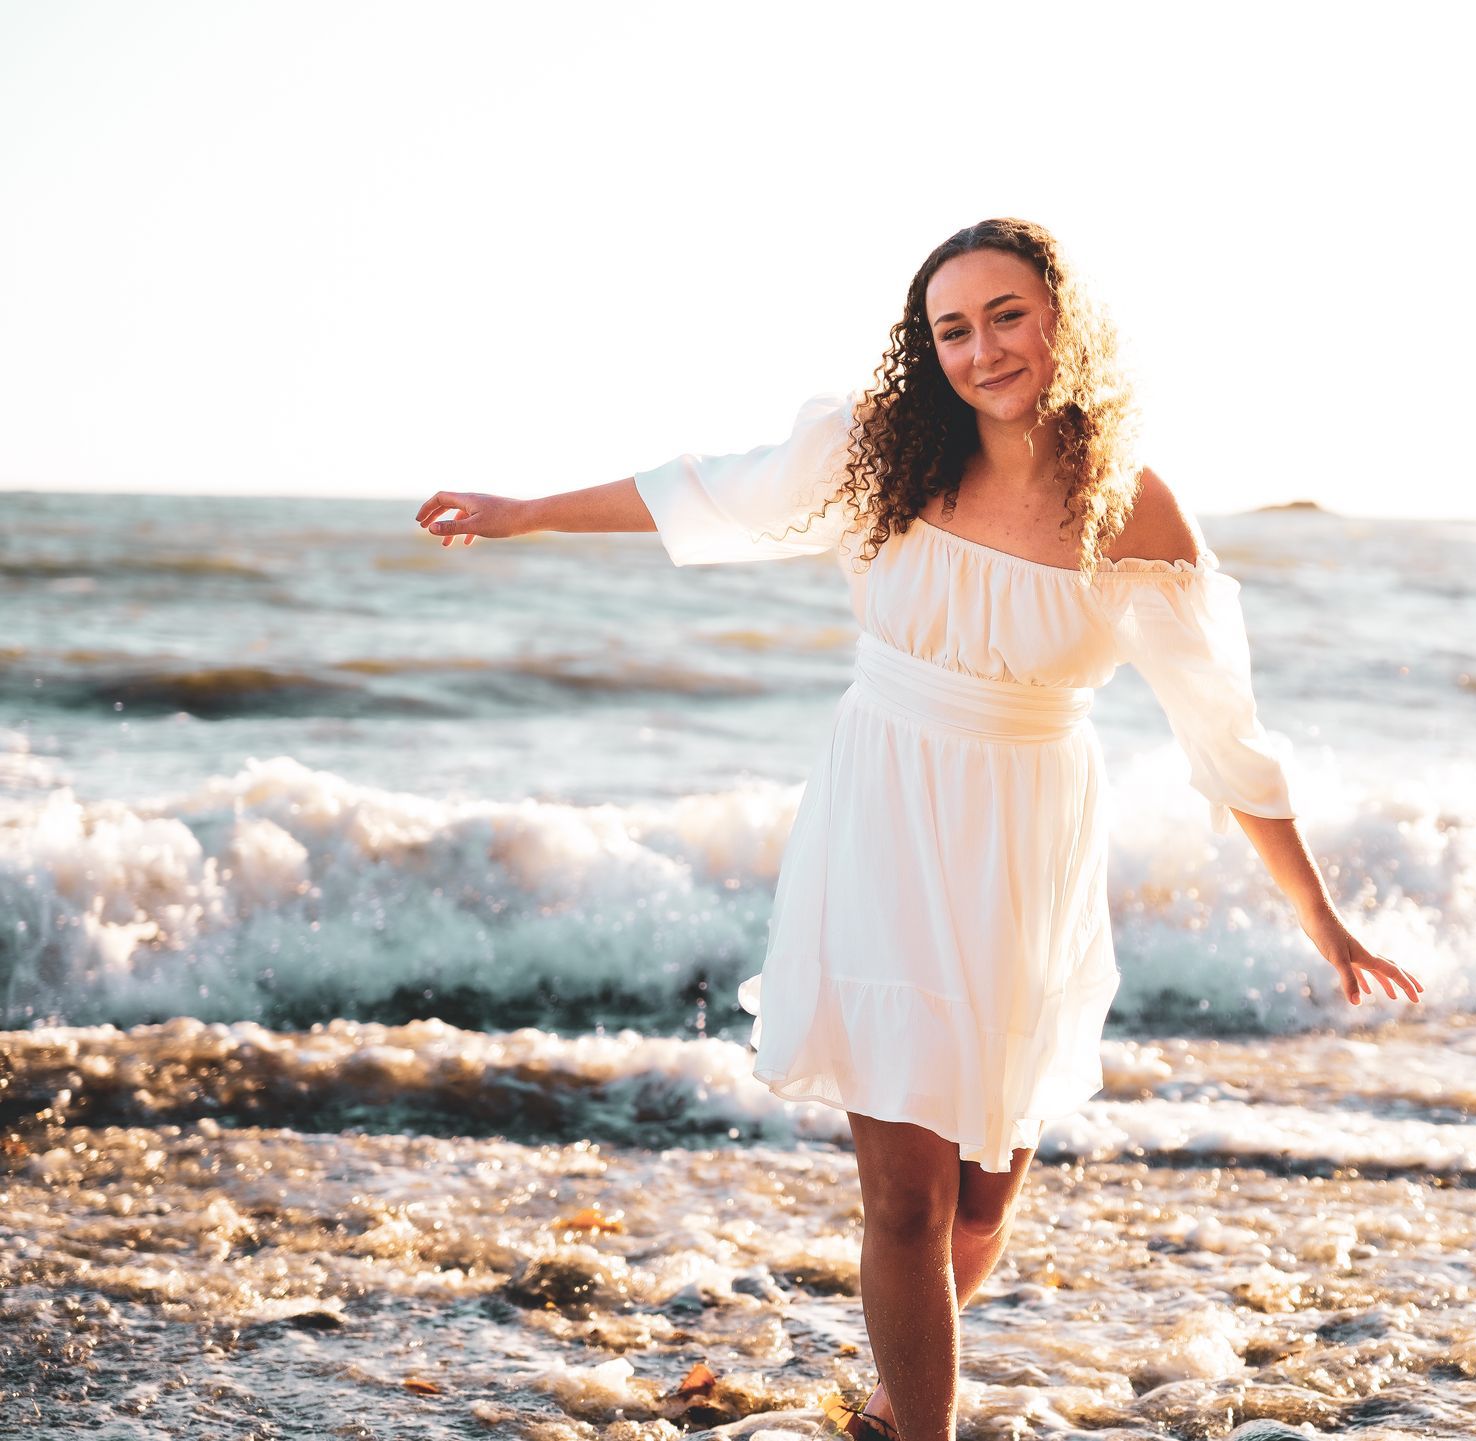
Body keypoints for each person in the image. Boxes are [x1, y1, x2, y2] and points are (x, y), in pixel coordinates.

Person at [414, 217, 1422, 1441]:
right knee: (905, 1199)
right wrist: (523, 512)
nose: (982, 347)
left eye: (1006, 314)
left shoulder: (1134, 506)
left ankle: (897, 1403)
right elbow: (706, 492)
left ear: (1062, 321)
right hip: (882, 815)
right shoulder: (878, 451)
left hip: (1027, 840)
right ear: (925, 345)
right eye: (953, 327)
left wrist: (1321, 913)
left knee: (984, 1198)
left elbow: (1225, 732)